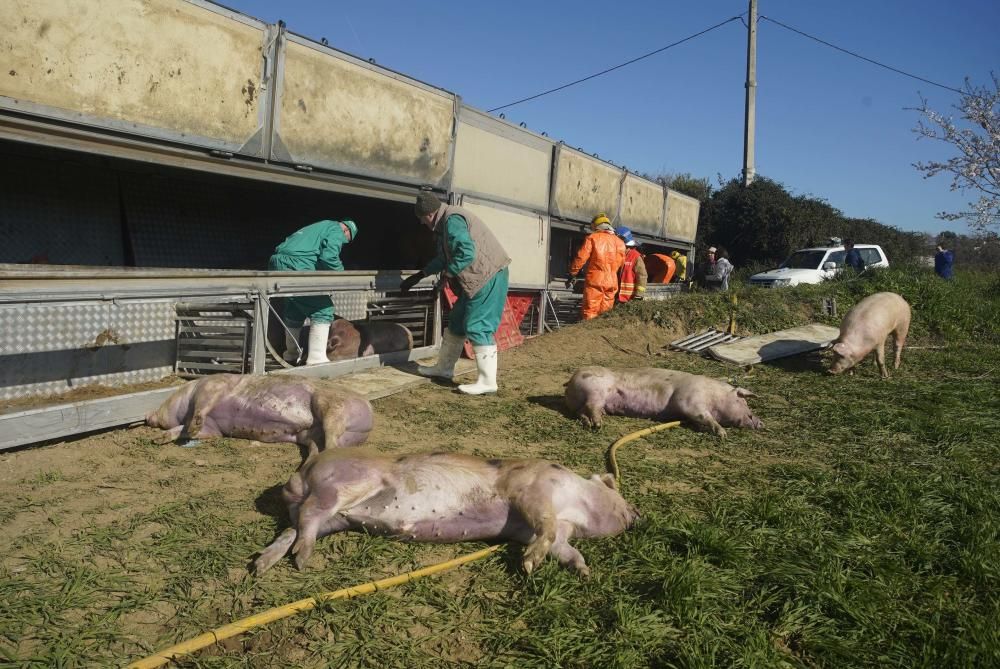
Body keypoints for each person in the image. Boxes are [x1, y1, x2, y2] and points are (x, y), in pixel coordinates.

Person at [400, 190, 511, 395]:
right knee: (457, 321)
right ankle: (444, 369)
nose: (422, 224)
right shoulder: (444, 227)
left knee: (477, 325)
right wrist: (421, 274)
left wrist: (448, 275)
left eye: (422, 220)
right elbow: (445, 257)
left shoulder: (453, 220)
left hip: (487, 275)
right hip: (475, 278)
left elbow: (467, 252)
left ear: (429, 214)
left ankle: (487, 382)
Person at [268, 219, 357, 365]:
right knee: (323, 309)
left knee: (294, 309)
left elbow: (318, 258)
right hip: (296, 265)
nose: (343, 242)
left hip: (278, 262)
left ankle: (291, 355)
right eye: (346, 240)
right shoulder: (336, 229)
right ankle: (317, 360)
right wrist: (342, 275)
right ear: (347, 231)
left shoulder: (318, 227)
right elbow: (329, 256)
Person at [565, 213, 626, 319]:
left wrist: (572, 273)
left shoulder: (592, 238)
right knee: (606, 312)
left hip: (595, 280)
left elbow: (581, 258)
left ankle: (588, 334)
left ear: (596, 226)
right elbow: (621, 263)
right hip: (612, 281)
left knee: (590, 311)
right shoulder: (620, 243)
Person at [614, 226, 647, 303]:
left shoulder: (635, 256)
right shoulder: (615, 254)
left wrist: (639, 295)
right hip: (614, 297)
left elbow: (642, 276)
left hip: (628, 298)